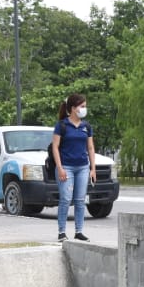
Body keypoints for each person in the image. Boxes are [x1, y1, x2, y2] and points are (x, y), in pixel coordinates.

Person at [50, 92, 96, 242]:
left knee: (80, 200)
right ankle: (62, 232)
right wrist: (60, 168)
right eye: (82, 106)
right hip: (66, 167)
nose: (84, 109)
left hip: (82, 167)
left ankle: (79, 231)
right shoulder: (62, 125)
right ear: (73, 108)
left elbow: (90, 148)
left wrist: (92, 168)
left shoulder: (86, 126)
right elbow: (55, 147)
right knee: (65, 199)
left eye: (85, 106)